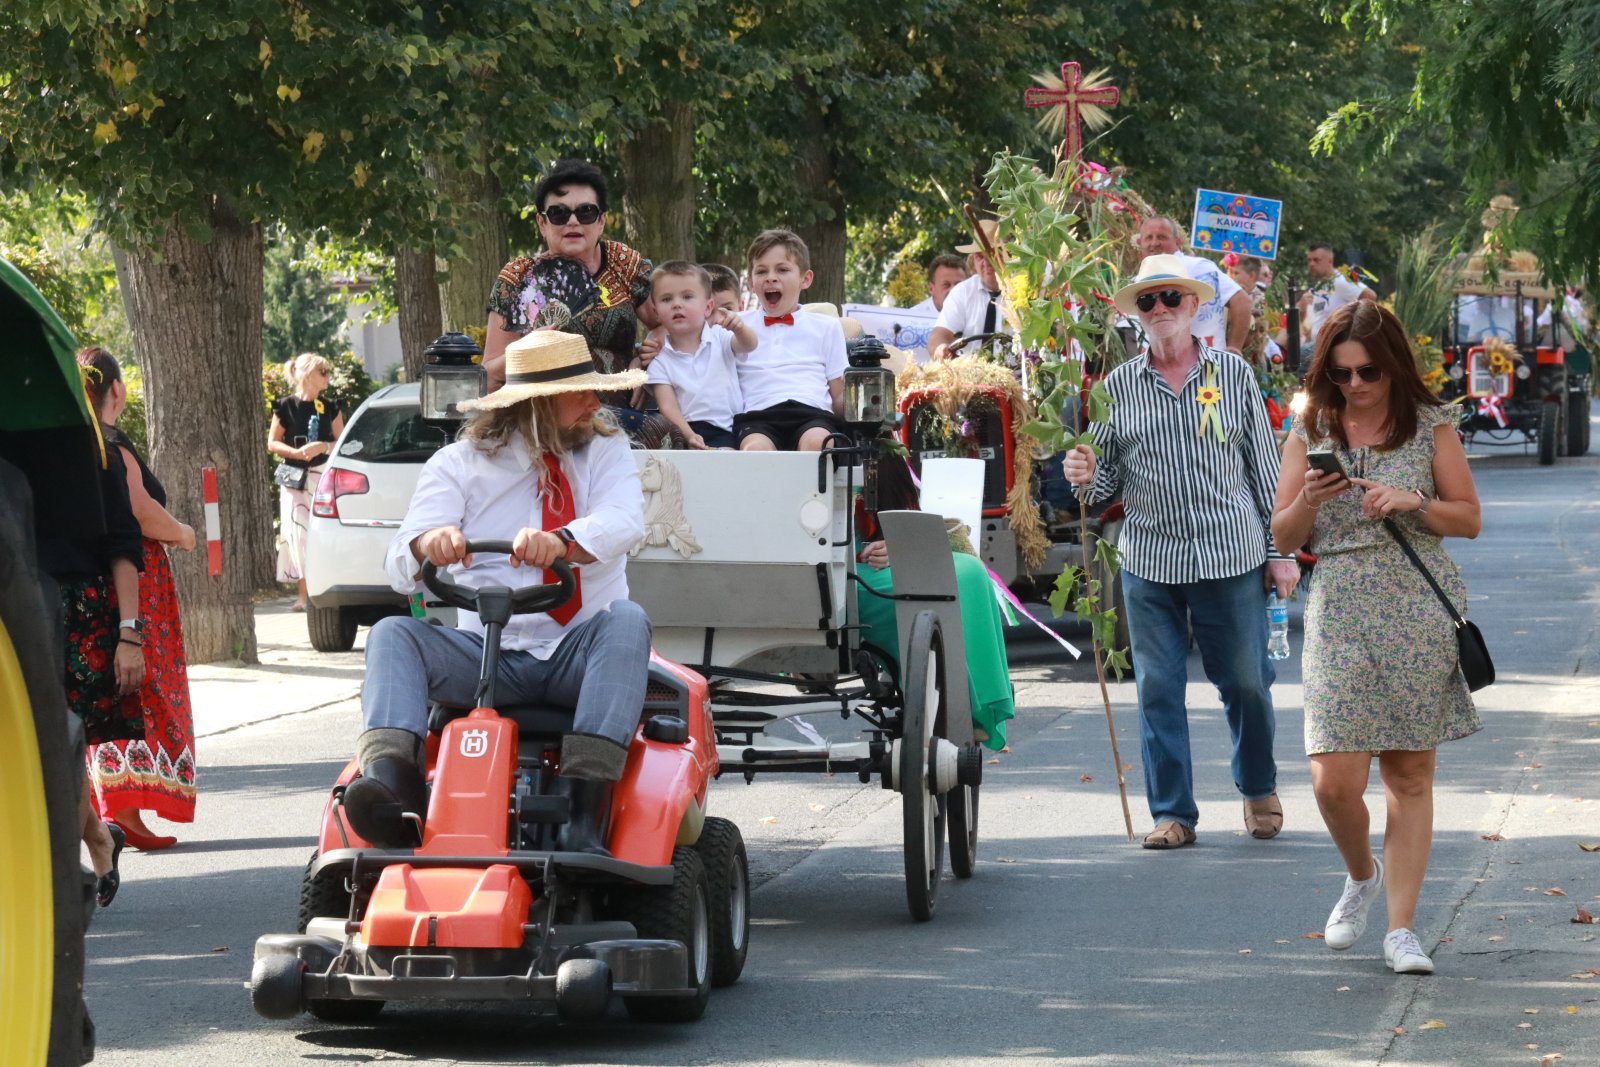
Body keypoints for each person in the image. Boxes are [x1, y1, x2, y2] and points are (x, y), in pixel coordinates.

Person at [342, 329, 649, 856]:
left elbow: (624, 523)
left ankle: (582, 812)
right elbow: (398, 565)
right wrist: (427, 544)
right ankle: (395, 790)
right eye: (581, 391)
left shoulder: (606, 449)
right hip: (488, 655)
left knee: (627, 620)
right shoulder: (457, 464)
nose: (596, 401)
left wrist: (561, 541)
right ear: (536, 404)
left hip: (578, 651)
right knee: (394, 634)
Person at [1270, 301, 1481, 976]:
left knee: (1410, 775)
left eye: (1368, 371)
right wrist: (1310, 498)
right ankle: (1362, 874)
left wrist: (1413, 500)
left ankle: (1401, 929)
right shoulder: (1311, 425)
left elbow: (1469, 519)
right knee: (1333, 781)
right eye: (1343, 373)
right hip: (1339, 605)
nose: (1356, 384)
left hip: (1416, 607)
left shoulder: (1430, 426)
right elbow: (1283, 536)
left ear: (1392, 366)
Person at [1062, 254, 1301, 850]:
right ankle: (1172, 813)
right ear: (1135, 314)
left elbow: (1264, 468)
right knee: (1158, 688)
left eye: (1172, 298)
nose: (1161, 309)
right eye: (1148, 301)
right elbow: (1104, 485)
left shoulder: (1233, 374)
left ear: (1195, 306)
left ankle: (1258, 787)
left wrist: (1280, 552)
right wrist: (1081, 473)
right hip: (1150, 560)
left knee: (1246, 681)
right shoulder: (1116, 388)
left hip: (1230, 551)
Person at [79, 348, 198, 851]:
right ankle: (123, 809)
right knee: (142, 688)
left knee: (122, 687)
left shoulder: (78, 443)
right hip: (135, 584)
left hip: (99, 580)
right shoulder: (113, 445)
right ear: (117, 390)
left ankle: (116, 808)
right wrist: (184, 533)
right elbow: (140, 509)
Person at [43, 358, 147, 905]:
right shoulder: (18, 446)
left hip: (81, 614)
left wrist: (130, 636)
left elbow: (124, 549)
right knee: (48, 747)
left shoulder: (101, 453)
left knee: (63, 746)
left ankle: (84, 850)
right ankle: (101, 838)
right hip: (26, 611)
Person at [853, 455, 1014, 748]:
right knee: (949, 580)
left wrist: (897, 544)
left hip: (874, 564)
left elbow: (899, 519)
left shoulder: (874, 447)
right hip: (838, 577)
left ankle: (966, 701)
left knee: (969, 572)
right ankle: (963, 702)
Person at [484, 158, 652, 432]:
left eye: (585, 212)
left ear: (601, 221)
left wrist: (646, 359)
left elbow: (674, 327)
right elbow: (490, 374)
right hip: (544, 420)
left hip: (622, 415)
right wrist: (530, 351)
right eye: (559, 214)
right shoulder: (518, 277)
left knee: (670, 434)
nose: (573, 221)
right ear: (542, 223)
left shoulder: (625, 263)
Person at [734, 229, 849, 452]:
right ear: (750, 282)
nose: (771, 277)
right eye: (761, 271)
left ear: (805, 279)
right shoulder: (737, 326)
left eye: (783, 269)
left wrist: (864, 406)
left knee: (817, 442)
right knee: (755, 450)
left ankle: (811, 488)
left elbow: (838, 394)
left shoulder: (826, 326)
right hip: (757, 416)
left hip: (812, 413)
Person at [645, 261, 758, 450]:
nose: (677, 304)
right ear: (656, 312)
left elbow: (749, 345)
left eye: (687, 297)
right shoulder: (660, 360)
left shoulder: (721, 337)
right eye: (666, 299)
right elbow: (668, 407)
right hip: (687, 429)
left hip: (731, 427)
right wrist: (690, 436)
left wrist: (739, 328)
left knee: (730, 460)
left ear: (708, 307)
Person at [267, 353, 344, 612]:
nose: (328, 376)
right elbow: (272, 442)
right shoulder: (285, 406)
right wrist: (297, 453)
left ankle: (323, 590)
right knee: (298, 533)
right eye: (323, 371)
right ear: (308, 375)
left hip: (321, 474)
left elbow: (342, 443)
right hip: (293, 476)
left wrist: (323, 445)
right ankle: (304, 594)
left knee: (321, 531)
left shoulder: (331, 407)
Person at [1136, 215, 1250, 352]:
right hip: (1158, 368)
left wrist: (1234, 348)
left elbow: (1242, 301)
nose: (1154, 243)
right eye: (1149, 238)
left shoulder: (1199, 268)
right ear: (1140, 243)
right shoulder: (1137, 281)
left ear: (1177, 242)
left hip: (1208, 364)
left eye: (1162, 237)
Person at [928, 221, 1008, 361]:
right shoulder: (963, 292)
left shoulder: (1023, 290)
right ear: (973, 260)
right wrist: (940, 348)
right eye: (980, 256)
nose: (987, 262)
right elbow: (940, 333)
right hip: (971, 379)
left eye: (993, 253)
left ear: (1006, 255)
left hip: (1019, 377)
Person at [1298, 242, 1375, 346]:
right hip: (1316, 347)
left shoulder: (1340, 280)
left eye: (1316, 260)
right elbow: (1312, 323)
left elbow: (1370, 296)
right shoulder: (1318, 287)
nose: (1311, 264)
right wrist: (1302, 310)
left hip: (1332, 346)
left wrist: (1353, 335)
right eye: (1309, 260)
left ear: (1330, 261)